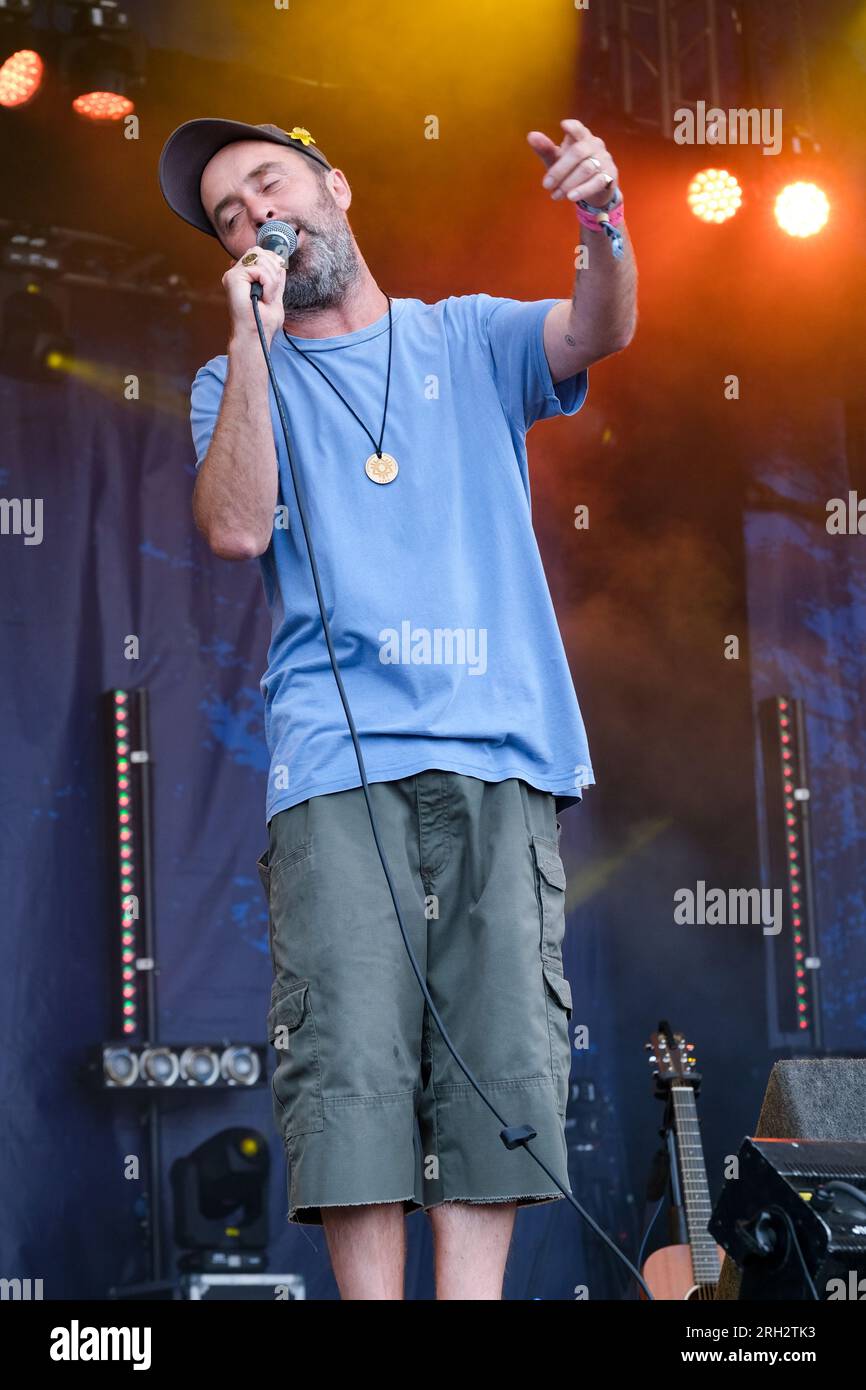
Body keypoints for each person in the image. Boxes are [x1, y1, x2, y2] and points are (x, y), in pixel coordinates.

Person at [158, 116, 636, 1300]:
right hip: (335, 774)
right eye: (226, 215)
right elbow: (229, 525)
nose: (251, 214)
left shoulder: (465, 335)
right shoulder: (232, 379)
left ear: (336, 184)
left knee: (496, 1074)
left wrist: (601, 217)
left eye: (266, 183)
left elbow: (600, 325)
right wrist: (251, 337)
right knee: (351, 1079)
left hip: (500, 752)